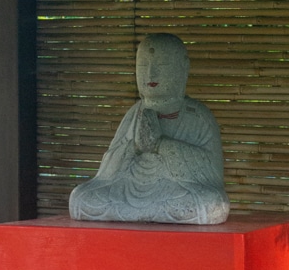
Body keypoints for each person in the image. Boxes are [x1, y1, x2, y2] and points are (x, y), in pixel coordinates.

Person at [69, 33, 230, 225]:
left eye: (161, 66)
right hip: (129, 188)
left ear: (183, 68)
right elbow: (106, 172)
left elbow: (211, 173)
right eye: (143, 66)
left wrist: (160, 145)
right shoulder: (134, 113)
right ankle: (147, 211)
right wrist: (134, 146)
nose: (151, 74)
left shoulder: (197, 115)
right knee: (80, 197)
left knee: (212, 204)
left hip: (178, 192)